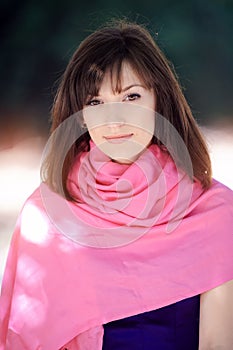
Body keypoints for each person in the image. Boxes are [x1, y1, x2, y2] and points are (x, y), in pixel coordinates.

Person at [0, 19, 233, 350]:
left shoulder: (214, 211)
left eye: (131, 96)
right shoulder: (45, 217)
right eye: (95, 102)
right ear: (80, 115)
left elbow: (216, 343)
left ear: (159, 102)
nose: (114, 119)